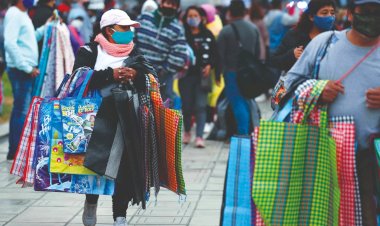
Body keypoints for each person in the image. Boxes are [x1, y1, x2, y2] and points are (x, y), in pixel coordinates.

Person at [282, 0, 380, 224]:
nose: (372, 17)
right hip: (322, 156)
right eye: (366, 11)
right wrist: (316, 90)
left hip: (371, 162)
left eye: (378, 12)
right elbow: (284, 89)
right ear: (351, 14)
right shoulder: (325, 44)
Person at [72, 9, 154, 226]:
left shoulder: (135, 53)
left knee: (125, 167)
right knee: (95, 165)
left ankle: (120, 215)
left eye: (130, 28)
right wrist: (111, 74)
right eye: (124, 28)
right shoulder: (89, 51)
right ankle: (91, 203)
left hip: (126, 119)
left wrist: (136, 75)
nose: (129, 32)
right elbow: (77, 79)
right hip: (95, 120)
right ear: (109, 30)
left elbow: (151, 79)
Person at [4, 0, 47, 161]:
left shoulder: (23, 15)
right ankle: (15, 151)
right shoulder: (15, 14)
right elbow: (10, 43)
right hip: (20, 71)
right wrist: (26, 67)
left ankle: (16, 151)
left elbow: (30, 39)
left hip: (25, 70)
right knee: (20, 110)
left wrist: (45, 28)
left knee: (22, 109)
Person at [216, 0, 261, 135]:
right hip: (250, 73)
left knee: (237, 102)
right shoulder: (253, 29)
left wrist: (218, 73)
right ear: (244, 12)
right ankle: (251, 131)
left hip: (232, 72)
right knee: (247, 101)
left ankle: (243, 133)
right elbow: (258, 52)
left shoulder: (226, 31)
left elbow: (220, 56)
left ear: (229, 12)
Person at [135, 0, 188, 103]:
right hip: (137, 69)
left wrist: (162, 70)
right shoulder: (144, 18)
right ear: (161, 3)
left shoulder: (177, 28)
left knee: (161, 107)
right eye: (168, 3)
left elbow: (179, 54)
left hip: (161, 75)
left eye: (173, 5)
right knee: (137, 103)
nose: (170, 6)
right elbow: (133, 39)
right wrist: (135, 61)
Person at [180, 6, 217, 148]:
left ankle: (200, 136)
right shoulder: (182, 34)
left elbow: (215, 54)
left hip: (203, 76)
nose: (193, 18)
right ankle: (188, 131)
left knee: (201, 106)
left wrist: (210, 65)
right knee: (187, 107)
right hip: (186, 76)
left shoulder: (208, 34)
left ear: (201, 17)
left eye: (196, 15)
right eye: (190, 15)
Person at [270, 0, 336, 72]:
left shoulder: (335, 38)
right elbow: (273, 61)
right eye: (324, 13)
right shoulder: (295, 35)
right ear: (311, 16)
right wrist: (292, 55)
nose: (330, 16)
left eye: (332, 13)